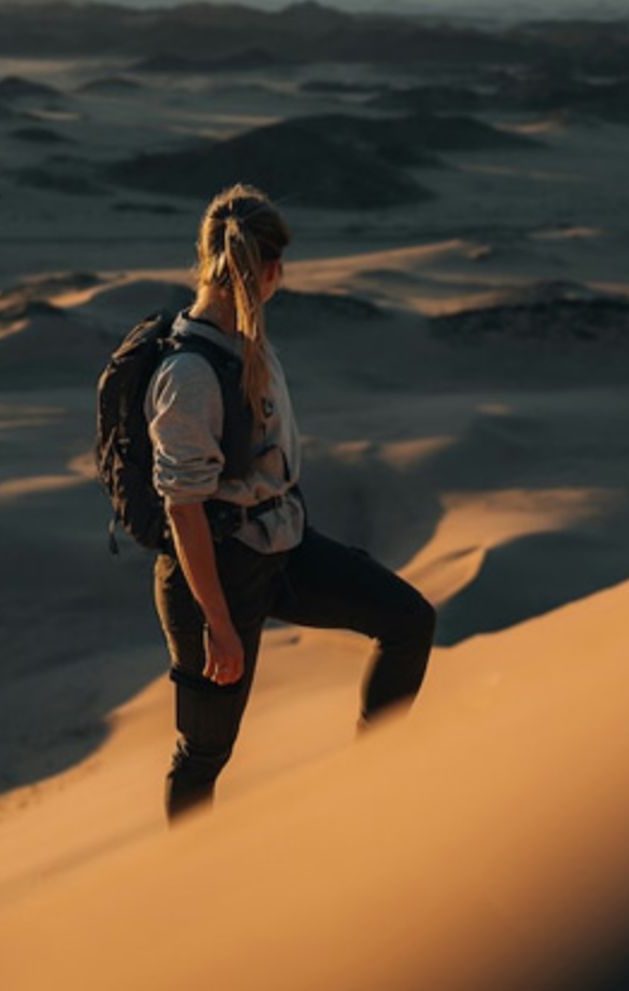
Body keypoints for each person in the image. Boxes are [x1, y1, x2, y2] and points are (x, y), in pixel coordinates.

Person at [145, 182, 437, 825]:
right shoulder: (190, 374)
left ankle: (371, 789)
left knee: (409, 620)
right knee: (203, 753)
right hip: (216, 574)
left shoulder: (247, 346)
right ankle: (180, 892)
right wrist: (218, 625)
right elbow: (183, 509)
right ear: (268, 270)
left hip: (281, 546)